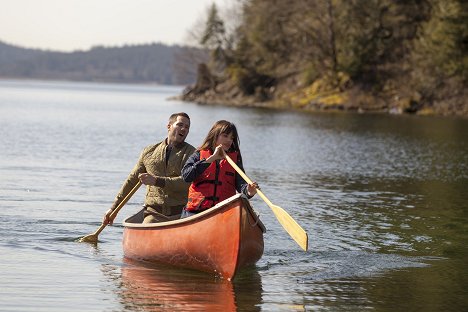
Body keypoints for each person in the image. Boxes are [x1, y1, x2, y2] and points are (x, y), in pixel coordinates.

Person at [103, 112, 195, 225]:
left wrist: (157, 181)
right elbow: (132, 180)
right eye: (180, 125)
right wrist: (113, 208)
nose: (183, 129)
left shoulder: (192, 154)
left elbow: (187, 182)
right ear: (169, 126)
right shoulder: (149, 152)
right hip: (154, 214)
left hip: (180, 215)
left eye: (187, 127)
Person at [180, 120, 259, 218]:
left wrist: (249, 191)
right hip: (196, 214)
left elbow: (241, 186)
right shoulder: (198, 154)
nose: (229, 140)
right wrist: (211, 159)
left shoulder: (235, 160)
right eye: (225, 136)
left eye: (232, 138)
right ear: (215, 135)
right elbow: (186, 176)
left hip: (223, 214)